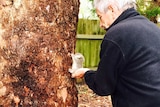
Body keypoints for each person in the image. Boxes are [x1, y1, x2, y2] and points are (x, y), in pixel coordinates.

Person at [70, 0, 160, 107]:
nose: (100, 24)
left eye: (100, 17)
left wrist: (86, 73)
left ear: (111, 9)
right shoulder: (154, 29)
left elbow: (103, 86)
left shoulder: (116, 35)